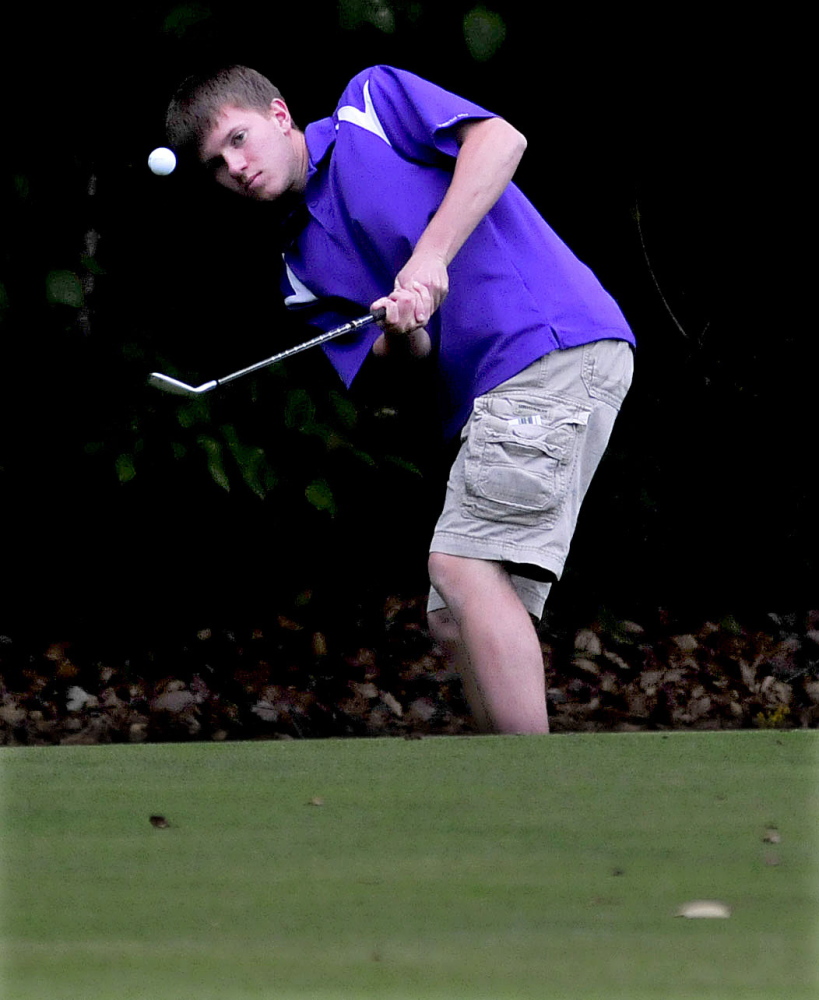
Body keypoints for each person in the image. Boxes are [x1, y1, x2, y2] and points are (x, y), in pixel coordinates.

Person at [165, 64, 635, 735]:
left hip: (547, 343)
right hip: (492, 391)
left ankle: (537, 788)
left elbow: (500, 141)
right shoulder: (299, 267)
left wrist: (431, 255)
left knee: (461, 564)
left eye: (238, 139)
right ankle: (518, 784)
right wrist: (401, 331)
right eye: (216, 164)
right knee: (452, 616)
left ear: (277, 115)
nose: (235, 166)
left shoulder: (370, 103)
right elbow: (390, 375)